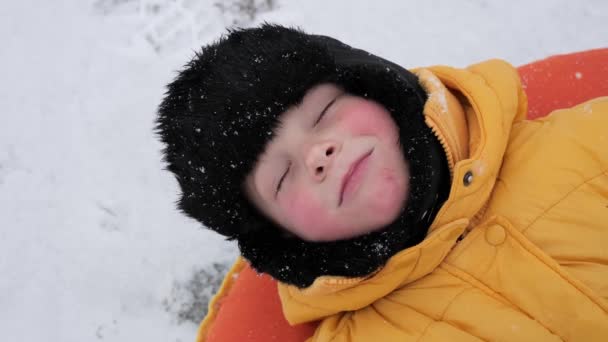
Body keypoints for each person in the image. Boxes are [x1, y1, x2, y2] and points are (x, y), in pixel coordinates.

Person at [155, 24, 608, 341]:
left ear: (376, 87)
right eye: (282, 176)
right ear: (281, 236)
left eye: (323, 114)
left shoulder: (585, 138)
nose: (318, 154)